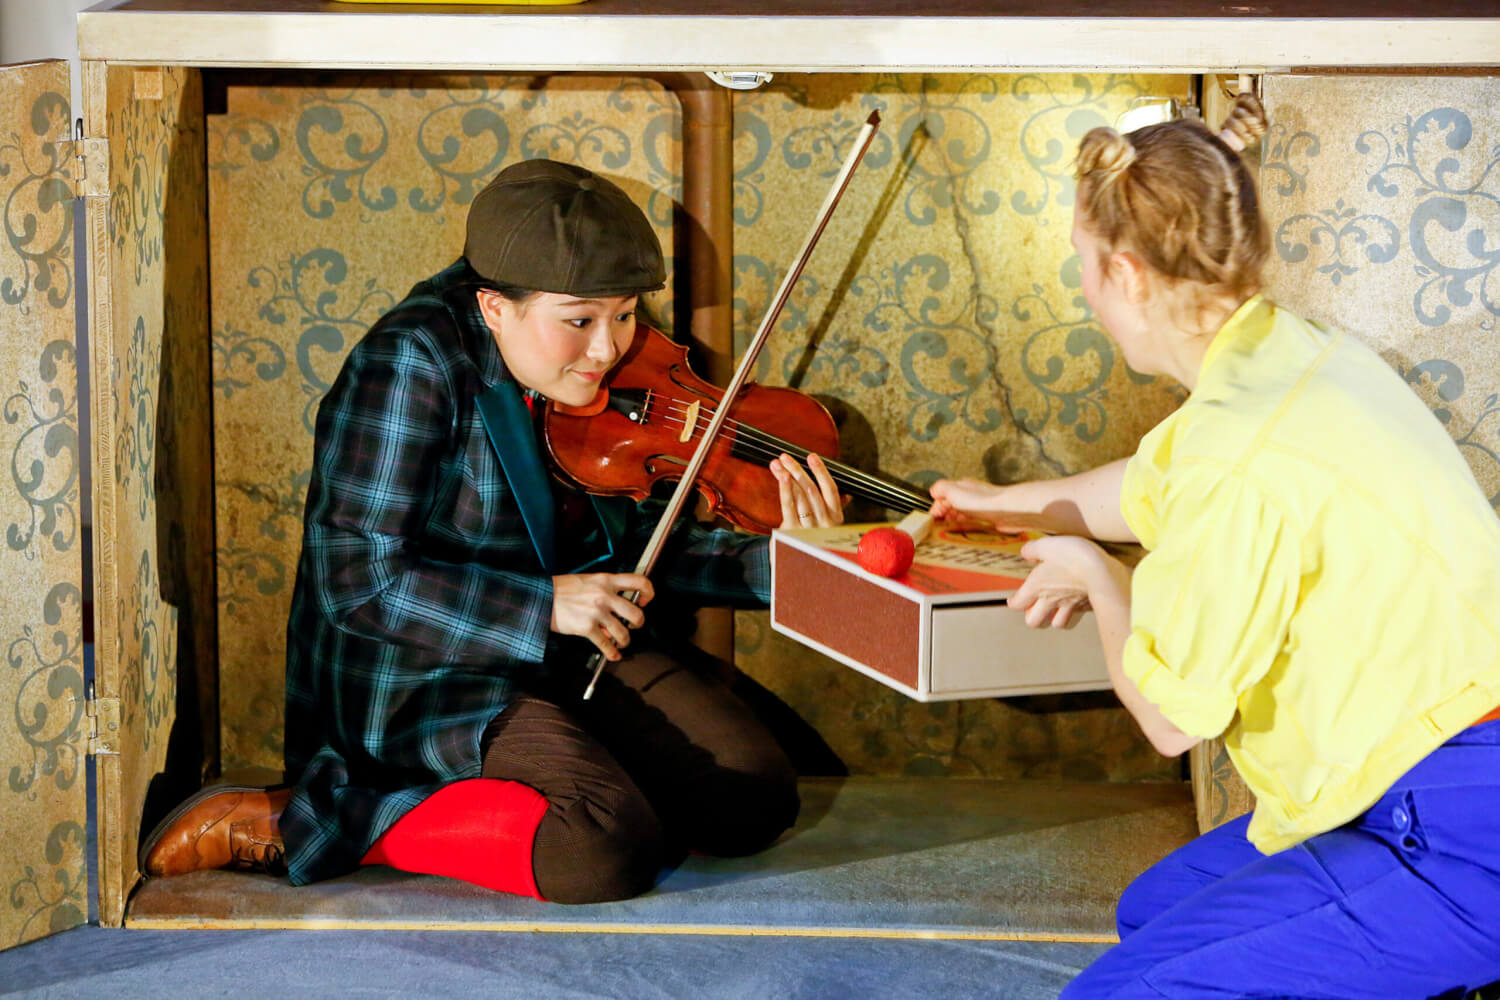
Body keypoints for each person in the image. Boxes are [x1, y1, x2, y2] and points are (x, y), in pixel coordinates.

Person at [140, 159, 844, 903]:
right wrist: (543, 605)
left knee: (751, 799)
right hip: (422, 672)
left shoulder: (603, 370)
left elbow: (641, 557)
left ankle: (561, 779)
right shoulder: (408, 362)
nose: (609, 349)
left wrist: (800, 560)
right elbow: (356, 582)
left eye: (627, 313)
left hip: (567, 647)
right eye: (580, 321)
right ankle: (321, 816)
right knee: (601, 850)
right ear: (493, 307)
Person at [931, 95, 1500, 997]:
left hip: (1459, 824)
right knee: (1156, 911)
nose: (1082, 290)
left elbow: (1171, 721)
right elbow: (1148, 485)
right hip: (1407, 774)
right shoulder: (1290, 354)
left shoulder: (1238, 450)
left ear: (1125, 273)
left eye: (1080, 265)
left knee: (1120, 992)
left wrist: (1098, 580)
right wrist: (1006, 505)